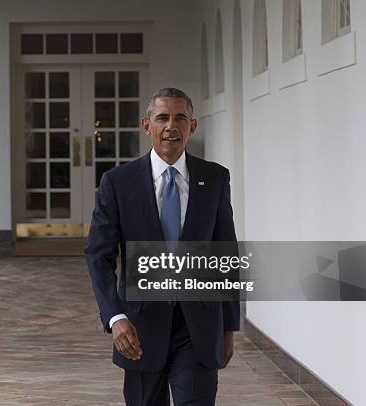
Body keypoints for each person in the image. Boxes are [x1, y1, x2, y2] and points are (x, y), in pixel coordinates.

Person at [85, 87, 239, 405]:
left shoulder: (214, 178)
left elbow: (226, 254)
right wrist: (115, 317)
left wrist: (229, 326)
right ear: (147, 126)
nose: (171, 126)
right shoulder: (117, 183)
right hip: (139, 330)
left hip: (198, 329)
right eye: (162, 118)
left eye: (180, 118)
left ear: (192, 126)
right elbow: (98, 255)